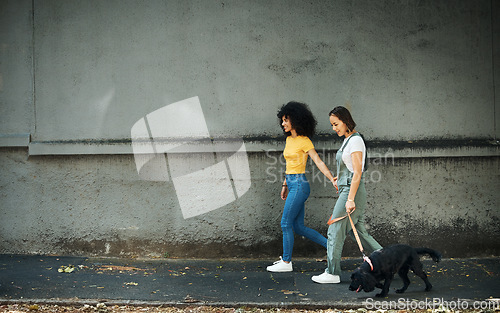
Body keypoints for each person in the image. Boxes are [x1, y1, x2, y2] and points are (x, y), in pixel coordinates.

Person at [311, 106, 382, 283]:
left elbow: (357, 173)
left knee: (335, 231)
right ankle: (390, 261)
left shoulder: (356, 141)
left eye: (336, 124)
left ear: (345, 120)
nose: (334, 128)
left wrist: (350, 199)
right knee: (359, 232)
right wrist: (339, 177)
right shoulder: (349, 140)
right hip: (348, 189)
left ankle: (332, 273)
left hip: (351, 192)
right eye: (332, 125)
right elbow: (350, 168)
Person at [267, 101, 337, 273]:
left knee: (285, 223)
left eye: (286, 120)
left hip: (299, 184)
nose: (283, 123)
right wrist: (285, 185)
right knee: (298, 227)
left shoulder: (304, 141)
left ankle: (286, 262)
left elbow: (318, 161)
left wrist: (331, 178)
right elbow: (289, 165)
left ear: (295, 120)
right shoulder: (289, 140)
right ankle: (332, 247)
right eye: (282, 120)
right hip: (292, 184)